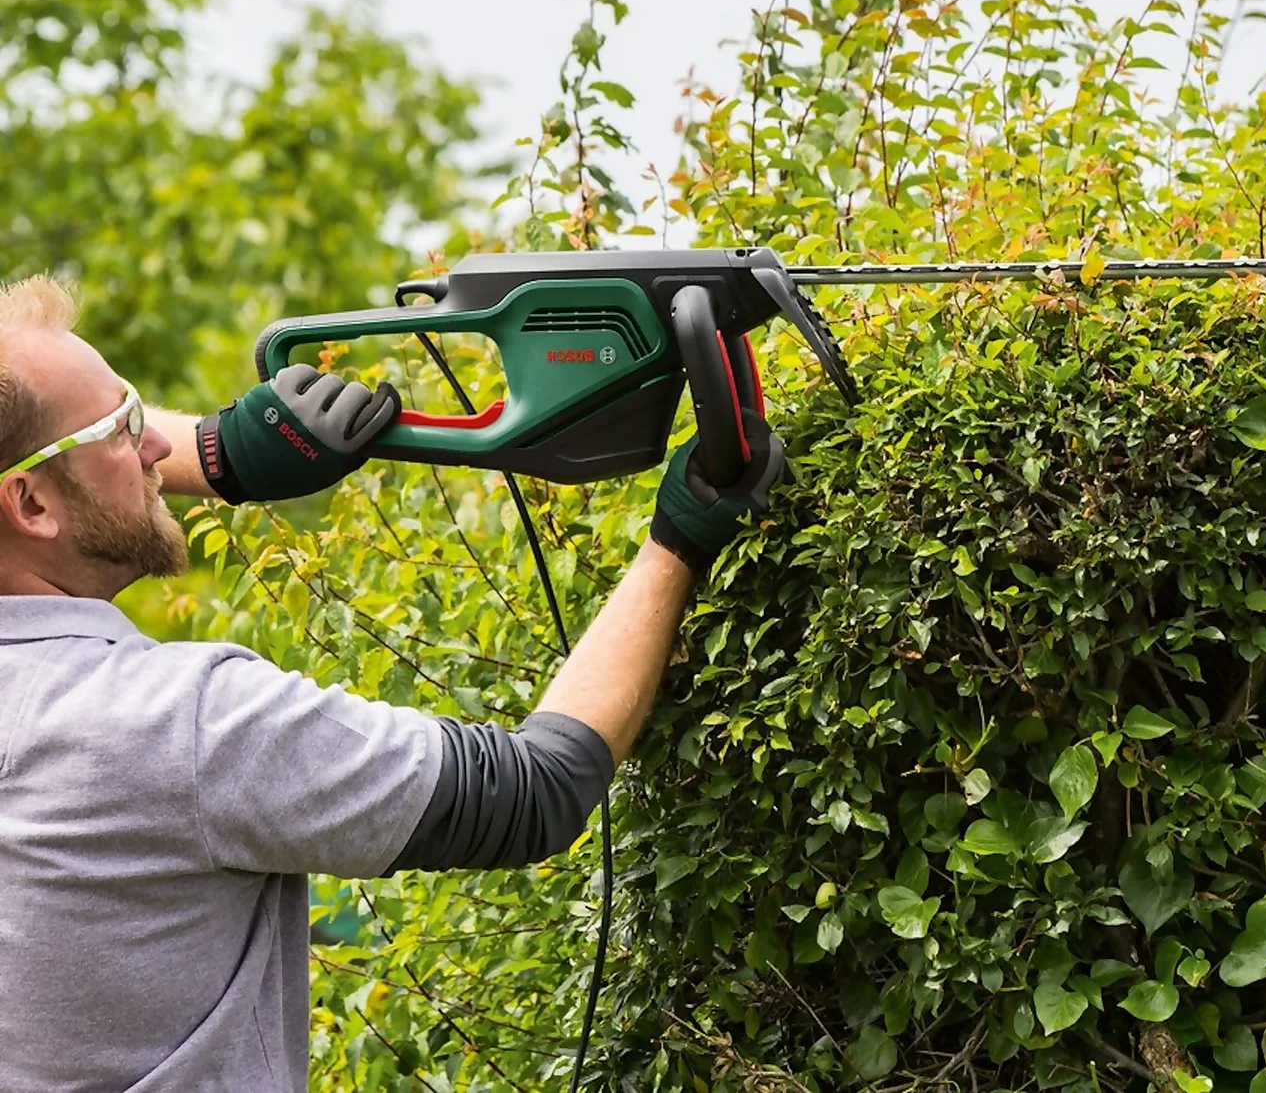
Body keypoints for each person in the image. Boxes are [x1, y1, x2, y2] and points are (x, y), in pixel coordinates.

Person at [0, 273, 785, 1093]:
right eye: (123, 428)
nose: (154, 443)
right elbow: (531, 792)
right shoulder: (181, 726)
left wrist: (216, 454)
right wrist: (681, 537)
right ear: (30, 502)